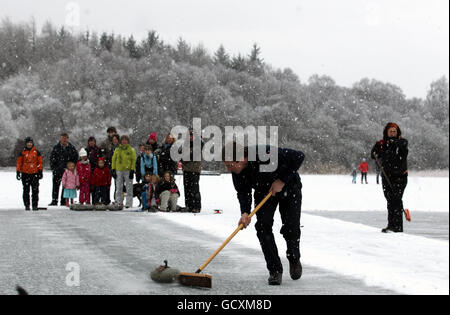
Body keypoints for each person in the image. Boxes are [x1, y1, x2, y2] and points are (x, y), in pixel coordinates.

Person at [223, 142, 305, 285]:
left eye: (230, 165)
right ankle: (275, 270)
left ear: (242, 159)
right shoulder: (236, 172)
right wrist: (245, 212)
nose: (228, 169)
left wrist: (281, 180)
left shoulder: (265, 153)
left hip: (290, 187)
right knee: (262, 227)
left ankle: (293, 257)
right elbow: (243, 192)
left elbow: (299, 156)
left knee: (291, 226)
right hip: (264, 192)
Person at [371, 122, 408, 233]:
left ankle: (397, 227)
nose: (392, 133)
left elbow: (402, 147)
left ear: (397, 132)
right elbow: (373, 154)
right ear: (387, 132)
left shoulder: (402, 142)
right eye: (390, 131)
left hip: (400, 176)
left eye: (394, 131)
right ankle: (391, 225)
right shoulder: (382, 144)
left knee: (396, 199)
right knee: (389, 200)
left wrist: (393, 142)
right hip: (387, 176)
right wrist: (375, 151)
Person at [49, 133, 78, 206]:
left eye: (65, 138)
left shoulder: (71, 148)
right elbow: (52, 159)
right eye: (62, 138)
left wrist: (71, 168)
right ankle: (54, 200)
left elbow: (75, 159)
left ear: (67, 139)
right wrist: (54, 168)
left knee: (65, 186)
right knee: (55, 186)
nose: (64, 140)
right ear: (60, 139)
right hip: (57, 170)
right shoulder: (56, 148)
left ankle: (63, 201)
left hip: (67, 171)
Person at [16, 137, 43, 210]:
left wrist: (40, 171)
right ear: (25, 144)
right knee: (26, 190)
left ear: (32, 143)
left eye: (30, 142)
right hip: (25, 173)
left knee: (35, 190)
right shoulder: (22, 152)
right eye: (28, 143)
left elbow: (40, 162)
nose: (29, 144)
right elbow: (19, 163)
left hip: (34, 174)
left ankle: (35, 205)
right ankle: (27, 205)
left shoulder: (37, 152)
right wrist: (18, 171)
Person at [180, 129, 203, 213]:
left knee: (194, 188)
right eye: (189, 135)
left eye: (192, 135)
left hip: (195, 169)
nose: (190, 137)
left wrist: (185, 159)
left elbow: (195, 154)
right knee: (187, 188)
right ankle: (188, 205)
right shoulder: (185, 144)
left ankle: (196, 206)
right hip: (186, 169)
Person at [111, 135, 137, 208]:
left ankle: (128, 203)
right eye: (123, 140)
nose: (124, 141)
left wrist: (132, 170)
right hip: (119, 170)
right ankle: (118, 202)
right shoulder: (117, 149)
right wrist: (113, 169)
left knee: (129, 187)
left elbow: (133, 160)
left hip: (128, 170)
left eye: (126, 140)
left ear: (128, 141)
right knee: (119, 187)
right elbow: (114, 159)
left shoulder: (131, 150)